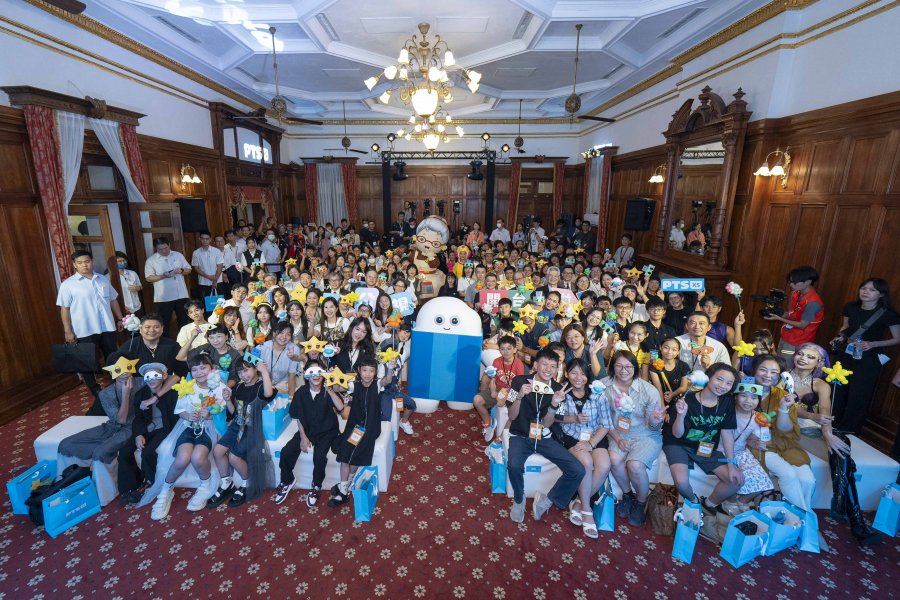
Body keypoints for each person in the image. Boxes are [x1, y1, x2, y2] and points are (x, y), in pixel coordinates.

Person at [140, 354, 231, 520]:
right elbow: (180, 411)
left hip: (209, 428)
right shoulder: (187, 386)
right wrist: (189, 416)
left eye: (203, 368)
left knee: (198, 458)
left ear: (212, 369)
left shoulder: (219, 387)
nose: (199, 372)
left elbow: (222, 412)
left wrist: (209, 415)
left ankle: (205, 485)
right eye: (194, 369)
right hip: (188, 427)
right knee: (182, 459)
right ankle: (166, 491)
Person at [506, 349, 586, 524]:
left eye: (553, 366)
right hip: (520, 435)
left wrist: (554, 404)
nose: (548, 369)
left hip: (545, 437)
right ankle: (519, 500)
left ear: (558, 369)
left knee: (577, 470)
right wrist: (519, 396)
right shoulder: (518, 381)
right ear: (535, 365)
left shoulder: (560, 390)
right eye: (544, 364)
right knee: (513, 465)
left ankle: (548, 500)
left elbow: (549, 423)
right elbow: (511, 416)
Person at [663, 363, 743, 516]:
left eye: (729, 383)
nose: (723, 386)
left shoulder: (727, 402)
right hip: (677, 443)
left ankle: (707, 505)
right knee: (681, 483)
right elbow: (677, 434)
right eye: (719, 379)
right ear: (708, 378)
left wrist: (732, 464)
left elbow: (727, 432)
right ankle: (694, 502)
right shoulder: (687, 399)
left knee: (736, 481)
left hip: (705, 446)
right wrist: (680, 415)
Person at [600, 351, 664, 527]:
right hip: (616, 433)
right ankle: (628, 495)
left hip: (645, 435)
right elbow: (603, 419)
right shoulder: (604, 387)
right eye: (618, 366)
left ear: (635, 368)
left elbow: (654, 427)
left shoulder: (648, 390)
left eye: (628, 366)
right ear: (612, 367)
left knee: (634, 465)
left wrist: (654, 420)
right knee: (613, 458)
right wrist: (617, 438)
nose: (623, 370)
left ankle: (641, 502)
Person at [57, 250, 124, 415]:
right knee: (87, 361)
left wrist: (121, 318)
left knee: (112, 356)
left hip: (107, 326)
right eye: (80, 263)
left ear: (92, 261)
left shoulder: (102, 279)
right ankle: (95, 390)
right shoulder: (68, 284)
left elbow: (113, 299)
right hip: (84, 329)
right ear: (74, 265)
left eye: (87, 261)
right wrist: (68, 331)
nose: (84, 265)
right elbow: (64, 309)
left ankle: (119, 384)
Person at [830, 278, 900, 434]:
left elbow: (897, 339)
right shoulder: (850, 307)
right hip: (846, 354)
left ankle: (849, 431)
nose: (866, 292)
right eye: (863, 288)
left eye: (872, 290)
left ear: (881, 294)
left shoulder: (888, 314)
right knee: (838, 390)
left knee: (859, 395)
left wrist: (872, 344)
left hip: (868, 359)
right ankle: (831, 424)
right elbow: (846, 327)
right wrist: (839, 336)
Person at [206, 359, 276, 508]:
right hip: (238, 425)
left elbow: (269, 394)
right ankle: (226, 482)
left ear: (255, 369)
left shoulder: (261, 386)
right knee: (217, 451)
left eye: (246, 370)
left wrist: (264, 371)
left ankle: (246, 482)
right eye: (240, 372)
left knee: (234, 456)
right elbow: (235, 412)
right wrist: (228, 400)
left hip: (253, 428)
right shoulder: (238, 387)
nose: (243, 375)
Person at [749, 354, 815, 512]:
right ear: (754, 371)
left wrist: (783, 408)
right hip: (758, 444)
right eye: (763, 370)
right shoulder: (744, 392)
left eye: (773, 372)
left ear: (780, 376)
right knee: (789, 475)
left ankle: (797, 516)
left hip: (783, 443)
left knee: (808, 480)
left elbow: (786, 430)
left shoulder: (783, 396)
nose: (767, 375)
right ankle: (805, 518)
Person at [555, 359, 611, 539]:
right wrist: (574, 418)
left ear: (589, 376)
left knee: (603, 466)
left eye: (583, 373)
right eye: (573, 373)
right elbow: (557, 418)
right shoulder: (563, 394)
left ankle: (579, 502)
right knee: (586, 463)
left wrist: (591, 443)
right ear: (566, 374)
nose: (578, 377)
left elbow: (606, 425)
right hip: (572, 436)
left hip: (594, 438)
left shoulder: (599, 395)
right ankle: (587, 511)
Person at [275, 362, 343, 506]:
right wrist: (303, 437)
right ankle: (287, 480)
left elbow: (340, 407)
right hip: (307, 430)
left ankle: (316, 485)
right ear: (306, 375)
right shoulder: (301, 392)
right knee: (286, 452)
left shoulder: (327, 390)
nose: (315, 376)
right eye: (312, 372)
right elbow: (298, 416)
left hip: (327, 432)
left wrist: (330, 390)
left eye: (319, 372)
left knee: (319, 457)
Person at [57, 354, 136, 476]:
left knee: (101, 452)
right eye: (119, 369)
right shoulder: (105, 393)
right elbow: (119, 420)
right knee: (65, 444)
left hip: (133, 428)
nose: (125, 373)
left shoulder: (142, 383)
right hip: (111, 426)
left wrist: (152, 396)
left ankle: (103, 487)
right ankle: (68, 479)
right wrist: (125, 394)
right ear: (111, 372)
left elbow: (171, 378)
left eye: (128, 367)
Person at [326, 356, 384, 507]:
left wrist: (390, 368)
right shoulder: (354, 384)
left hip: (371, 428)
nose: (367, 374)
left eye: (371, 371)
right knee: (347, 454)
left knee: (353, 454)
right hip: (355, 427)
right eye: (364, 370)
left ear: (375, 372)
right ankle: (345, 488)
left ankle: (343, 489)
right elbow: (339, 388)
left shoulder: (377, 384)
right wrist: (334, 377)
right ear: (359, 371)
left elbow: (388, 380)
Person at [117, 362, 178, 504]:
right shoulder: (141, 394)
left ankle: (153, 483)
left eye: (155, 376)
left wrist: (157, 397)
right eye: (148, 377)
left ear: (163, 377)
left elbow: (177, 379)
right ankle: (130, 487)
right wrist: (138, 434)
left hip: (164, 428)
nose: (151, 380)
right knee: (124, 451)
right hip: (146, 428)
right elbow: (138, 417)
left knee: (148, 452)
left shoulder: (172, 392)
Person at [720, 378, 774, 503]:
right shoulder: (725, 411)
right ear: (735, 397)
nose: (748, 401)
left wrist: (756, 443)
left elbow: (750, 439)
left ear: (759, 400)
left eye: (754, 398)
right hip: (721, 451)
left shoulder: (757, 418)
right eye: (743, 396)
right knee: (737, 479)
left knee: (763, 481)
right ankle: (732, 504)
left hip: (741, 452)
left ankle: (738, 504)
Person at [766, 266, 825, 359]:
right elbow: (790, 314)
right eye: (790, 282)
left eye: (794, 282)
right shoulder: (794, 293)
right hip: (786, 336)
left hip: (799, 341)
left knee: (786, 368)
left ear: (808, 282)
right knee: (778, 362)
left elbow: (802, 325)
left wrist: (779, 318)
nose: (791, 285)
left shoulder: (813, 302)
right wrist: (775, 313)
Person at [473, 336, 525, 440]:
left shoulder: (518, 364)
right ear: (499, 349)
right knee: (476, 400)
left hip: (512, 391)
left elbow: (519, 385)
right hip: (497, 388)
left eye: (509, 348)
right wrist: (493, 391)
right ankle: (488, 422)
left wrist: (506, 394)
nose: (506, 351)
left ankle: (504, 434)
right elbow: (492, 379)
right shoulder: (497, 361)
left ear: (515, 349)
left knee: (500, 403)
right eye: (502, 349)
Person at [144, 237, 192, 335]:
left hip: (181, 294)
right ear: (155, 249)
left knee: (183, 319)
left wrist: (181, 270)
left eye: (165, 248)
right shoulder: (151, 260)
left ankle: (184, 341)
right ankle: (166, 344)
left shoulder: (178, 255)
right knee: (164, 321)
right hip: (164, 297)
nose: (164, 251)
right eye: (160, 249)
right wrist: (163, 276)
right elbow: (148, 278)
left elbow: (189, 270)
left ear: (169, 245)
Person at [648, 337, 691, 407]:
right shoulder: (654, 365)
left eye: (674, 349)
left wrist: (673, 394)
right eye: (666, 348)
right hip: (658, 399)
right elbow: (658, 389)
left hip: (677, 400)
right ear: (660, 348)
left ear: (678, 352)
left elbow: (684, 387)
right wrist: (662, 407)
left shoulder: (683, 366)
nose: (669, 352)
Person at [191, 230, 224, 303]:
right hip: (204, 282)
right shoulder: (196, 253)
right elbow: (196, 268)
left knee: (219, 305)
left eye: (207, 239)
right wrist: (208, 276)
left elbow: (220, 266)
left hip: (218, 282)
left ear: (210, 239)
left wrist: (215, 280)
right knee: (207, 305)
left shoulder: (216, 251)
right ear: (200, 239)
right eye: (203, 238)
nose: (205, 241)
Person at [114, 251, 143, 316]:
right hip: (123, 309)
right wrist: (121, 306)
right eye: (119, 261)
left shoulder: (132, 273)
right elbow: (111, 297)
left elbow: (140, 286)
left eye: (124, 260)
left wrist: (137, 288)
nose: (123, 262)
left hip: (136, 307)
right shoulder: (109, 277)